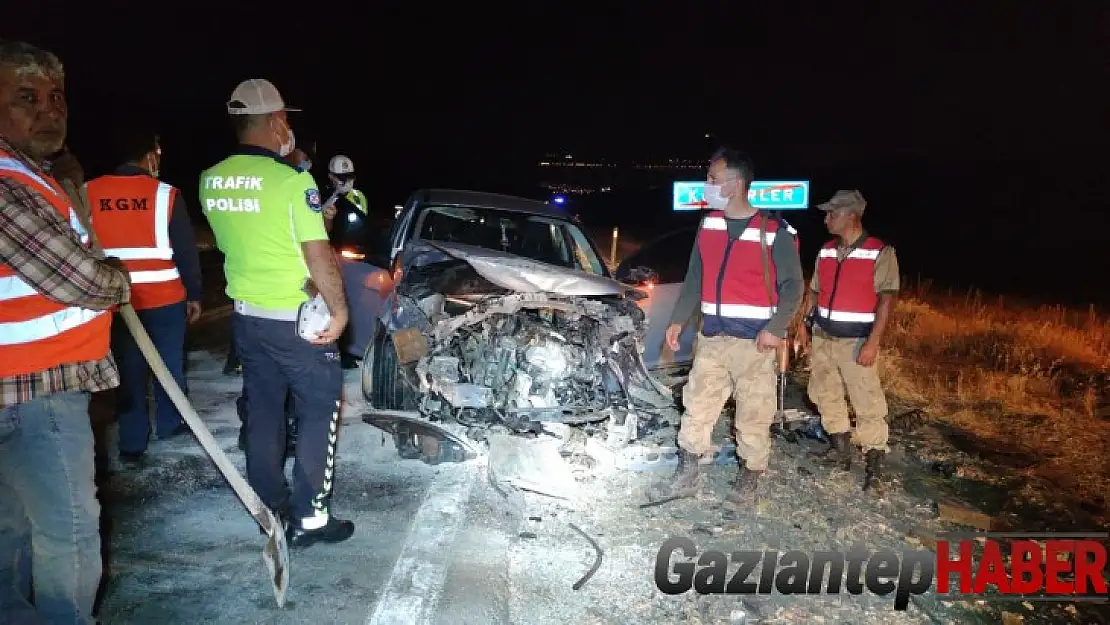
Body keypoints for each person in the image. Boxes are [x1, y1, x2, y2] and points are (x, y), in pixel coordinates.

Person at [0, 39, 132, 624]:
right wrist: (119, 279)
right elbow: (81, 278)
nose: (49, 110)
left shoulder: (36, 176)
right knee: (69, 532)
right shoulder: (8, 185)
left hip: (26, 386)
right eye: (27, 98)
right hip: (36, 392)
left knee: (13, 530)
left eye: (56, 97)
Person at [199, 78, 353, 547]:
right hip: (297, 321)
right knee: (318, 410)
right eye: (284, 118)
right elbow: (317, 254)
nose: (287, 126)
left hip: (247, 319)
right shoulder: (292, 181)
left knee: (263, 412)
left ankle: (270, 506)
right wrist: (340, 311)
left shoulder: (211, 178)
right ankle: (311, 518)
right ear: (270, 121)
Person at [648, 147, 804, 509]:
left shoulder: (774, 231)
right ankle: (686, 476)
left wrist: (777, 327)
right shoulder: (709, 225)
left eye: (713, 179)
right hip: (712, 337)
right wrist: (678, 320)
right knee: (697, 405)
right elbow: (694, 278)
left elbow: (793, 287)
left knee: (753, 412)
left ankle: (749, 479)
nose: (707, 185)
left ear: (735, 184)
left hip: (755, 342)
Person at [84, 128, 204, 467]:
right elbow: (185, 250)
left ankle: (133, 443)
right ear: (150, 157)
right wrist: (194, 294)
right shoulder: (165, 194)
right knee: (169, 365)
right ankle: (171, 424)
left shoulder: (87, 192)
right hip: (165, 299)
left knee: (127, 371)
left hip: (116, 302)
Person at [796, 189, 899, 491]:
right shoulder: (826, 250)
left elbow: (886, 301)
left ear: (851, 215)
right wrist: (804, 325)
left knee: (867, 400)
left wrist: (873, 342)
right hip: (824, 337)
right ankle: (840, 451)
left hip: (856, 341)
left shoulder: (880, 252)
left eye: (832, 213)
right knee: (824, 393)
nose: (826, 219)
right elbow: (813, 291)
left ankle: (875, 460)